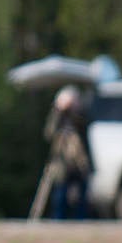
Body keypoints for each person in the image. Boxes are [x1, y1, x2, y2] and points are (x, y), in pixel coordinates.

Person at [31, 85, 94, 221]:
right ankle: (58, 220)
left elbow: (85, 126)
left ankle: (80, 221)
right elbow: (49, 133)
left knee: (81, 196)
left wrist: (75, 110)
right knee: (60, 195)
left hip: (80, 161)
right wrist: (58, 111)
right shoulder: (57, 116)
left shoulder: (81, 115)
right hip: (61, 163)